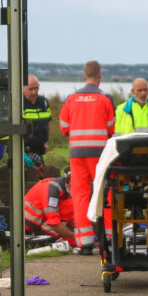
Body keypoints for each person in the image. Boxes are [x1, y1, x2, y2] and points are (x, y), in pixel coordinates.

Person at [59, 60, 115, 254]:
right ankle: (110, 239)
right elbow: (111, 128)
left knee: (80, 196)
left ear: (84, 76)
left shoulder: (71, 99)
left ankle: (85, 243)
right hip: (100, 155)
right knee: (106, 193)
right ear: (100, 76)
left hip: (77, 154)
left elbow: (64, 127)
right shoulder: (105, 99)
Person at [24, 174, 77, 246]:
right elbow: (54, 223)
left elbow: (70, 218)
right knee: (55, 230)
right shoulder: (53, 190)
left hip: (42, 219)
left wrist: (87, 235)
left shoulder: (68, 191)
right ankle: (34, 243)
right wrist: (77, 237)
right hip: (28, 222)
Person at [23, 75, 52, 161]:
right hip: (23, 152)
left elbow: (47, 123)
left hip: (39, 150)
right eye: (30, 89)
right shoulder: (18, 103)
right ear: (23, 88)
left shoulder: (44, 102)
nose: (34, 92)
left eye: (36, 88)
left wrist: (44, 142)